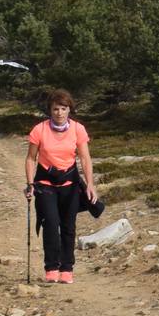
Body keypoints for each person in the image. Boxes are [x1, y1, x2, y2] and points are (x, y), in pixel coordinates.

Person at [24, 90, 99, 284]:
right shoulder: (39, 130)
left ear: (69, 110)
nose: (59, 113)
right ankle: (51, 268)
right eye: (55, 109)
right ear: (50, 110)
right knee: (50, 223)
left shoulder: (78, 129)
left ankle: (67, 268)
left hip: (70, 183)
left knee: (68, 226)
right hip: (45, 183)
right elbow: (31, 158)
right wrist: (30, 183)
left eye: (63, 109)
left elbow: (85, 158)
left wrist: (90, 184)